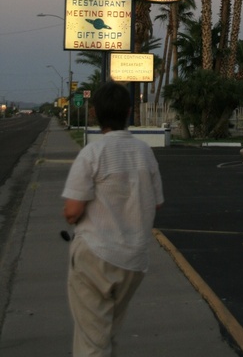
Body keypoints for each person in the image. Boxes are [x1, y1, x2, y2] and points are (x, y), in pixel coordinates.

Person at [62, 80, 164, 356]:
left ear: (94, 113)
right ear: (129, 112)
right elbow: (156, 204)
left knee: (92, 343)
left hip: (95, 257)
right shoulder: (145, 152)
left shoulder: (92, 153)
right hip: (133, 262)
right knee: (106, 333)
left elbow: (72, 211)